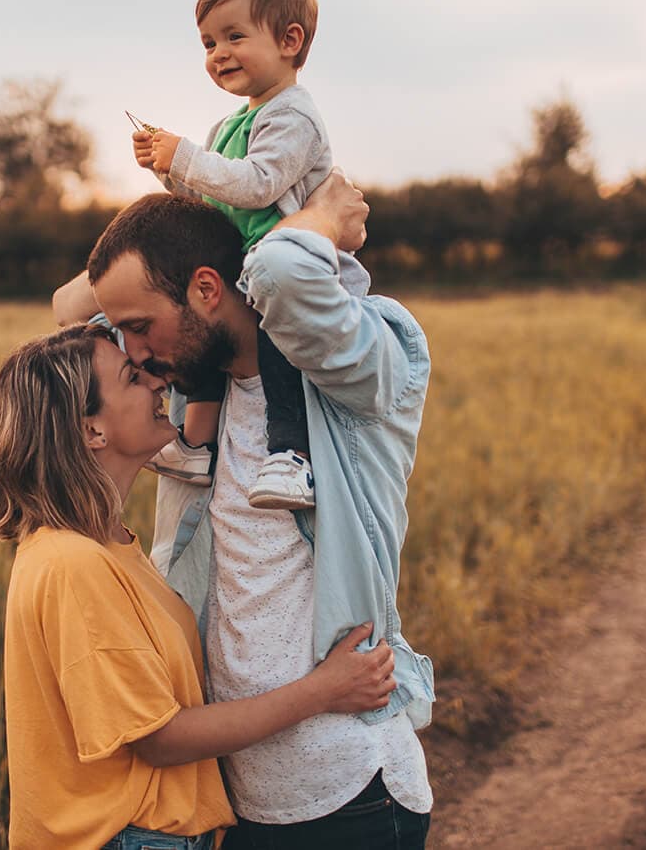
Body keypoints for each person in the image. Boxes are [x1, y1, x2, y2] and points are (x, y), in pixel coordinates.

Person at [55, 171, 436, 848]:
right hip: (242, 798)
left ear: (207, 289)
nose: (134, 355)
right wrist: (210, 209)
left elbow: (286, 272)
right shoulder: (202, 389)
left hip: (351, 794)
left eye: (140, 327)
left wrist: (316, 215)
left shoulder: (354, 373)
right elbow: (68, 309)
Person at [0, 323, 398, 850]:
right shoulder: (72, 564)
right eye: (132, 378)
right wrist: (324, 690)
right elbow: (161, 738)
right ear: (91, 431)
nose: (157, 385)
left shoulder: (108, 546)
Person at [131, 0, 338, 511]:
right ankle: (197, 442)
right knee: (194, 323)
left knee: (279, 343)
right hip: (242, 266)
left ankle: (292, 455)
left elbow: (259, 184)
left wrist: (189, 158)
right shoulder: (227, 127)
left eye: (233, 36)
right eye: (207, 43)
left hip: (290, 270)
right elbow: (209, 203)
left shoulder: (294, 116)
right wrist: (168, 170)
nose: (217, 54)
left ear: (290, 41)